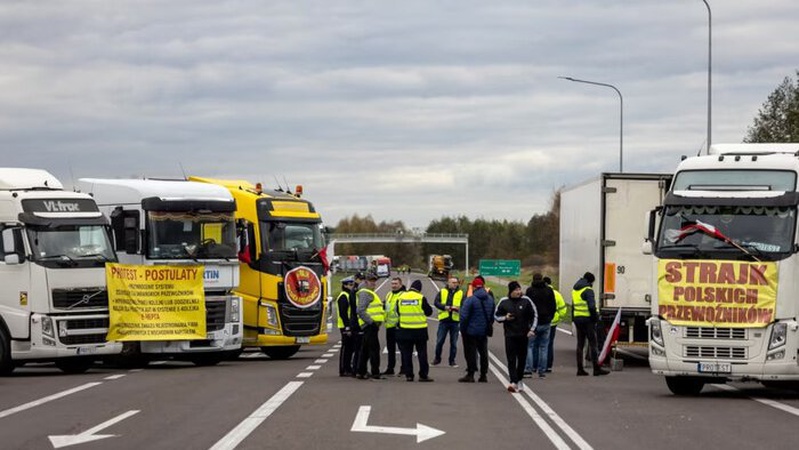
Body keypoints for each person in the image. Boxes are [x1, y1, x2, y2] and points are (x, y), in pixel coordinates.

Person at [495, 281, 537, 393]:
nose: (518, 292)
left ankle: (519, 380)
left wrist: (532, 329)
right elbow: (496, 316)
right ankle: (513, 381)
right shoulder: (504, 301)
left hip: (523, 335)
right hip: (510, 335)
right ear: (511, 291)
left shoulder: (526, 300)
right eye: (516, 290)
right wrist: (505, 318)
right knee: (511, 359)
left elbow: (534, 315)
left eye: (519, 289)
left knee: (522, 359)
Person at [395, 279, 435, 382]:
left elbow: (398, 311)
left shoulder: (401, 297)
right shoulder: (421, 298)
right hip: (419, 330)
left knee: (407, 354)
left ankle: (409, 375)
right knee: (422, 353)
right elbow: (429, 312)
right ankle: (423, 375)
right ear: (419, 289)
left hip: (404, 329)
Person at [572, 272, 609, 377]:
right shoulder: (588, 290)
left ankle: (580, 369)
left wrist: (574, 318)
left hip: (578, 319)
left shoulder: (575, 289)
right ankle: (596, 368)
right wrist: (595, 318)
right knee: (593, 343)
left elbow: (574, 305)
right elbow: (592, 307)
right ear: (590, 281)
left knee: (580, 344)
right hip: (587, 320)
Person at [458, 277, 494, 383]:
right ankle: (483, 375)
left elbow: (463, 316)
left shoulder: (471, 299)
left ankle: (471, 374)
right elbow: (492, 315)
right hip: (483, 331)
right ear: (483, 286)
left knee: (471, 352)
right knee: (483, 352)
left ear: (473, 287)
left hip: (471, 331)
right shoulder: (490, 299)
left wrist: (463, 329)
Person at [525, 273, 556, 378]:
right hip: (546, 322)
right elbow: (553, 306)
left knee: (529, 346)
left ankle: (529, 370)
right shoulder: (549, 290)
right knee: (544, 347)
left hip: (533, 323)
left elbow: (527, 306)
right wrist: (550, 317)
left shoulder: (530, 291)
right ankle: (542, 371)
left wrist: (528, 320)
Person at [355, 273, 385, 380]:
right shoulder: (365, 293)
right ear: (365, 282)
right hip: (369, 325)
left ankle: (361, 371)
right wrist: (371, 322)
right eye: (371, 281)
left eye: (374, 281)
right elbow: (360, 310)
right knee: (374, 349)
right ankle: (375, 372)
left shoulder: (367, 292)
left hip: (370, 325)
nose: (374, 283)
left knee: (366, 349)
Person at [432, 276, 463, 368]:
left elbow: (465, 305)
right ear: (448, 283)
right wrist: (445, 307)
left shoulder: (461, 293)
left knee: (454, 343)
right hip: (444, 320)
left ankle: (452, 361)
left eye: (455, 282)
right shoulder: (442, 291)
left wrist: (458, 309)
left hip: (455, 320)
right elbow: (436, 302)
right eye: (452, 282)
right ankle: (437, 359)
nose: (454, 284)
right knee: (439, 341)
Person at [544, 276, 567, 373]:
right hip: (553, 322)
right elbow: (563, 309)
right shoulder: (557, 294)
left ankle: (537, 365)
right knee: (549, 344)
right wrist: (559, 318)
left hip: (542, 321)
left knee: (539, 344)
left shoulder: (540, 292)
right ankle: (548, 366)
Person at [382, 277, 405, 376]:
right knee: (391, 349)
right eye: (392, 284)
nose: (394, 286)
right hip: (389, 326)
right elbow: (387, 308)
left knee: (403, 349)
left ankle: (404, 369)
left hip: (399, 326)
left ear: (400, 284)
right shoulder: (389, 294)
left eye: (396, 284)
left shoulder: (403, 295)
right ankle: (390, 368)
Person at [337, 276, 356, 377]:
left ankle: (348, 368)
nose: (352, 287)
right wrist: (347, 326)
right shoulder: (344, 296)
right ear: (344, 285)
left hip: (349, 325)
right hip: (345, 326)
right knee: (346, 348)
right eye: (350, 285)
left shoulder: (349, 295)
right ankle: (344, 369)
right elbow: (343, 313)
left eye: (352, 285)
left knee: (350, 348)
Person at [349, 272, 366, 375]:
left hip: (356, 321)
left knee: (359, 347)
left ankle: (357, 368)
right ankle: (357, 369)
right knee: (359, 348)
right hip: (356, 322)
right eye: (360, 279)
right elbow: (358, 308)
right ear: (355, 279)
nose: (362, 281)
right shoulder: (356, 291)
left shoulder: (356, 290)